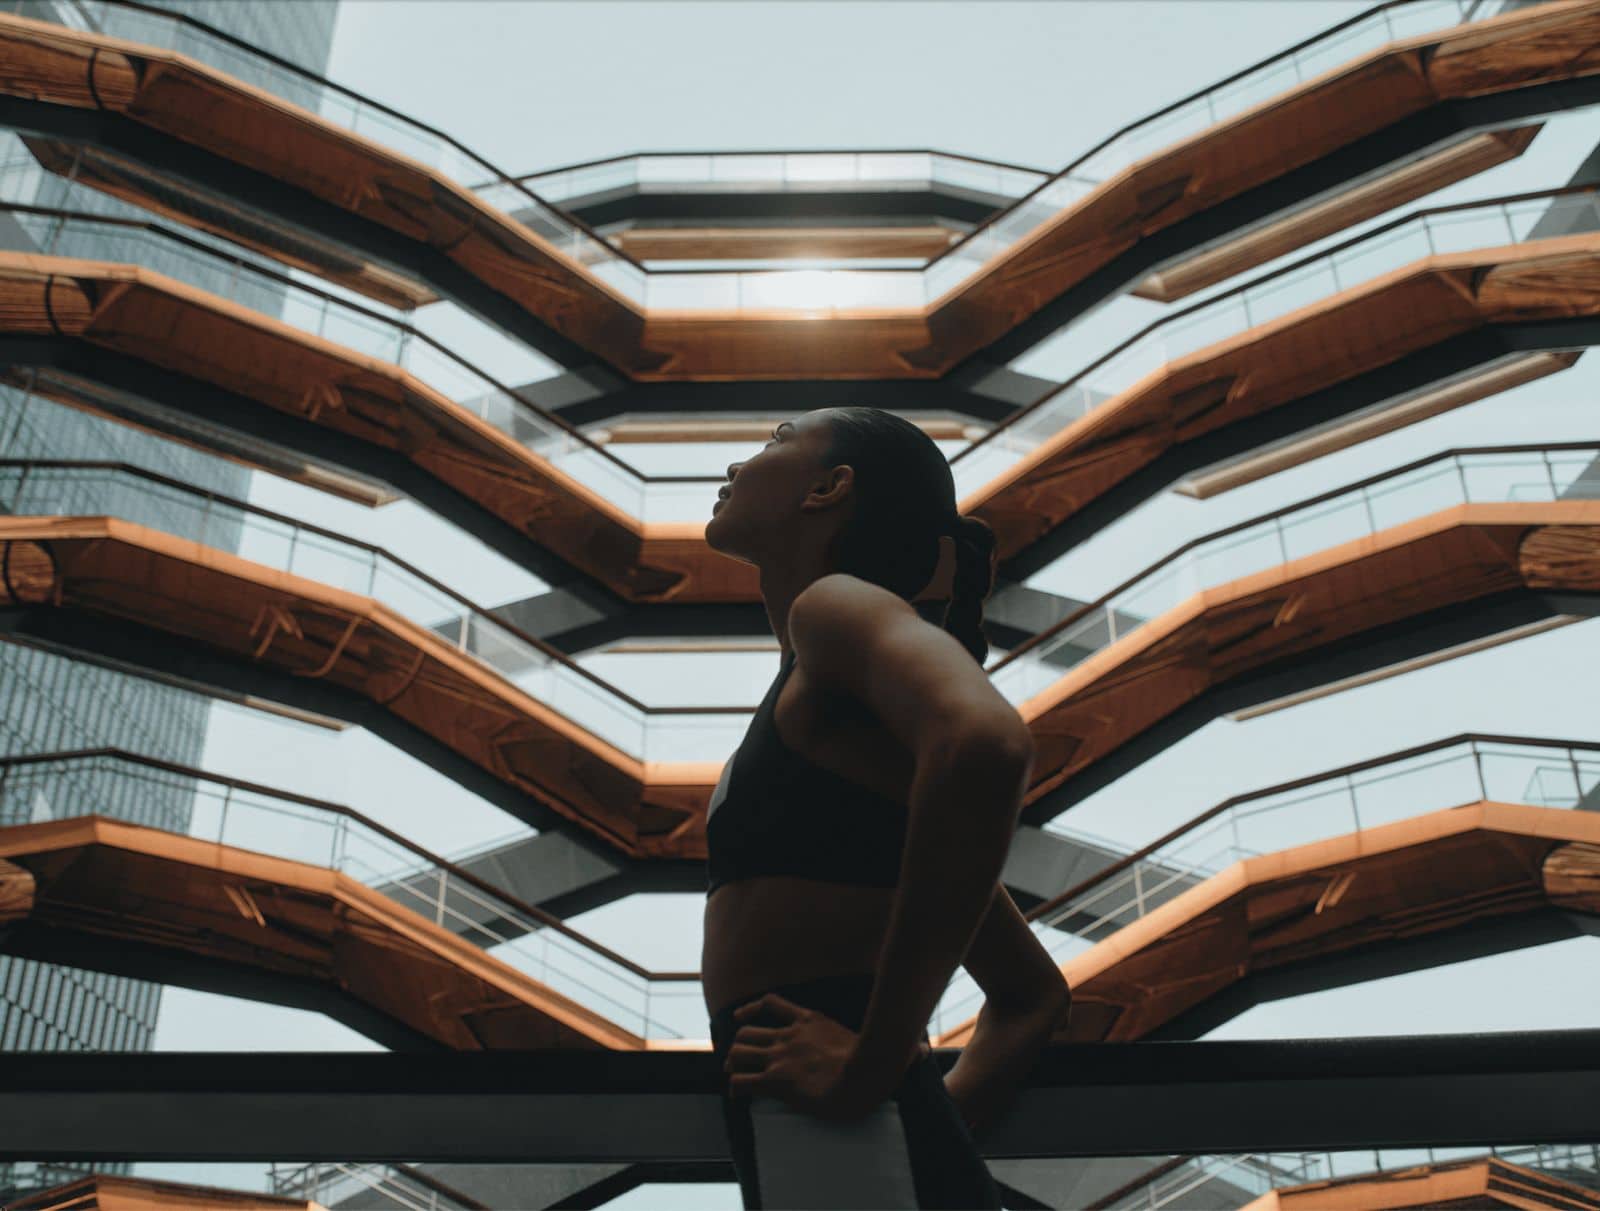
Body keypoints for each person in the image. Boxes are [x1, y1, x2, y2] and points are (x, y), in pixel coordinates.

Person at [702, 406, 1073, 1209]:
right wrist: (917, 1112)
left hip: (838, 1132)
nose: (735, 467)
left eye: (773, 441)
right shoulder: (819, 685)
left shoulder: (834, 607)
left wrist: (874, 1064)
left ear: (829, 488)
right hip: (848, 1144)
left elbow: (984, 744)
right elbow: (1030, 996)